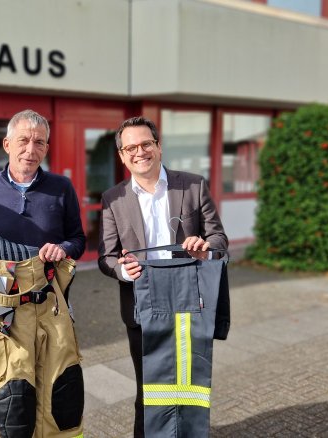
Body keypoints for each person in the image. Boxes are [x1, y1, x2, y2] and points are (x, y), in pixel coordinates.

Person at [97, 116, 228, 437]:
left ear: (158, 147)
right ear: (122, 155)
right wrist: (122, 270)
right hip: (143, 307)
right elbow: (106, 257)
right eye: (130, 147)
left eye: (146, 144)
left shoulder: (193, 185)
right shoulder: (113, 199)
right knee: (150, 390)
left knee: (191, 386)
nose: (139, 152)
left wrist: (205, 248)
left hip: (189, 304)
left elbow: (220, 240)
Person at [0, 109, 87, 438]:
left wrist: (65, 249)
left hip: (51, 298)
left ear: (46, 148)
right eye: (23, 140)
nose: (30, 149)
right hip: (3, 301)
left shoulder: (61, 187)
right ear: (6, 144)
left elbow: (78, 239)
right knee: (11, 395)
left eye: (39, 142)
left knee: (62, 389)